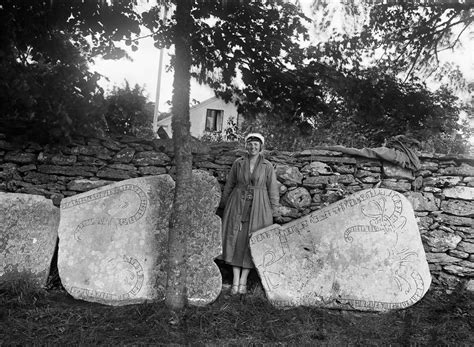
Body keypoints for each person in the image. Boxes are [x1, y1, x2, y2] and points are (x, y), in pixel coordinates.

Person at [219, 133, 280, 295]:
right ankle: (235, 280)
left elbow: (272, 189)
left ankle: (244, 280)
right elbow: (230, 184)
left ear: (261, 147)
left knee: (250, 240)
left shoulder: (267, 166)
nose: (253, 147)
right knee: (235, 239)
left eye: (256, 144)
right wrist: (224, 205)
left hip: (259, 207)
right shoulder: (238, 163)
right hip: (237, 204)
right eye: (250, 144)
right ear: (246, 145)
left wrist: (274, 211)